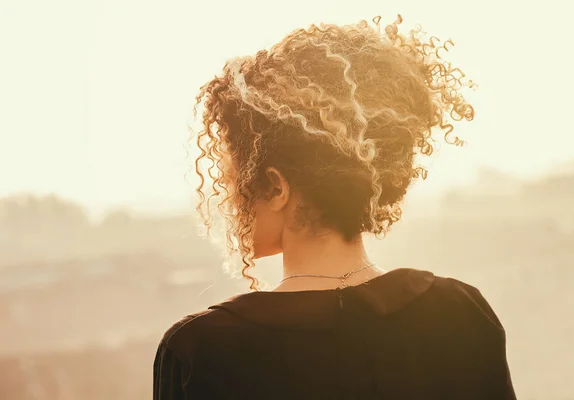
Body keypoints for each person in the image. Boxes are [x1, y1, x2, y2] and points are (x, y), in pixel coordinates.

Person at [153, 14, 516, 399]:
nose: (227, 194)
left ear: (276, 187)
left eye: (233, 176)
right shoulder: (458, 314)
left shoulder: (202, 352)